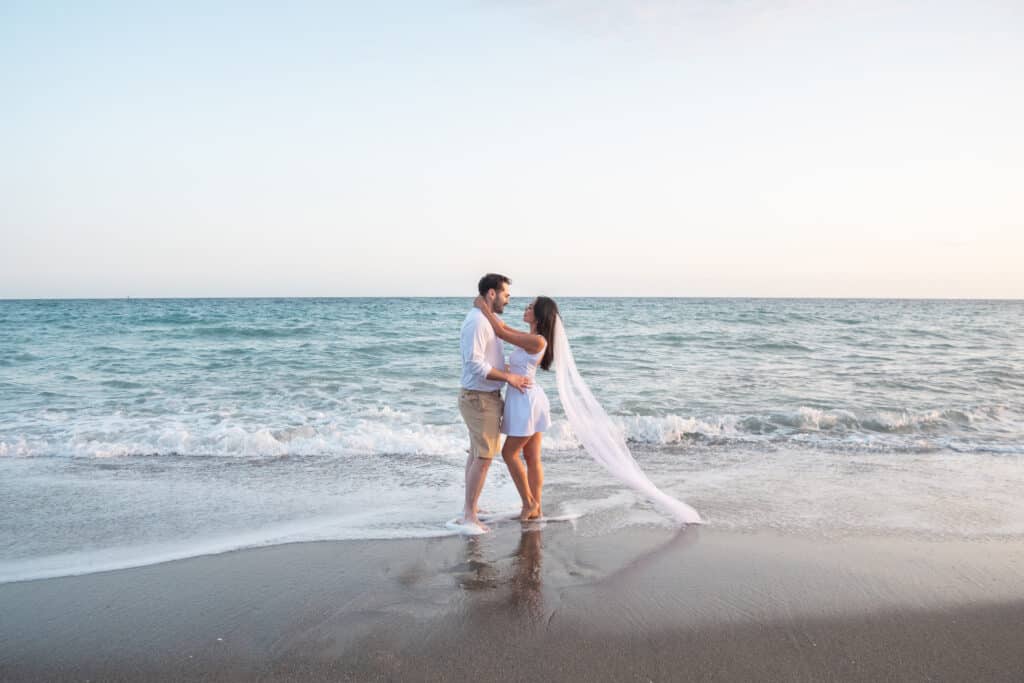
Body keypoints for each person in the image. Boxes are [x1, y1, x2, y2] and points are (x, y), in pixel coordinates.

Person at [457, 273, 534, 532]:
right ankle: (469, 515)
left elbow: (497, 347)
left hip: (483, 397)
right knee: (485, 456)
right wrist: (508, 377)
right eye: (506, 294)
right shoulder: (478, 322)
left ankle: (471, 508)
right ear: (492, 293)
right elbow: (475, 364)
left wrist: (511, 369)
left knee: (478, 454)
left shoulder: (489, 319)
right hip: (479, 398)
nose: (508, 300)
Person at [473, 295, 559, 520]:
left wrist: (484, 308)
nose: (526, 308)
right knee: (531, 457)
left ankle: (528, 503)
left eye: (530, 307)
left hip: (526, 400)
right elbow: (503, 327)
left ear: (540, 314)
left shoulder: (538, 341)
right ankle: (536, 507)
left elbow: (501, 332)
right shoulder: (531, 337)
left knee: (509, 453)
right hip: (525, 396)